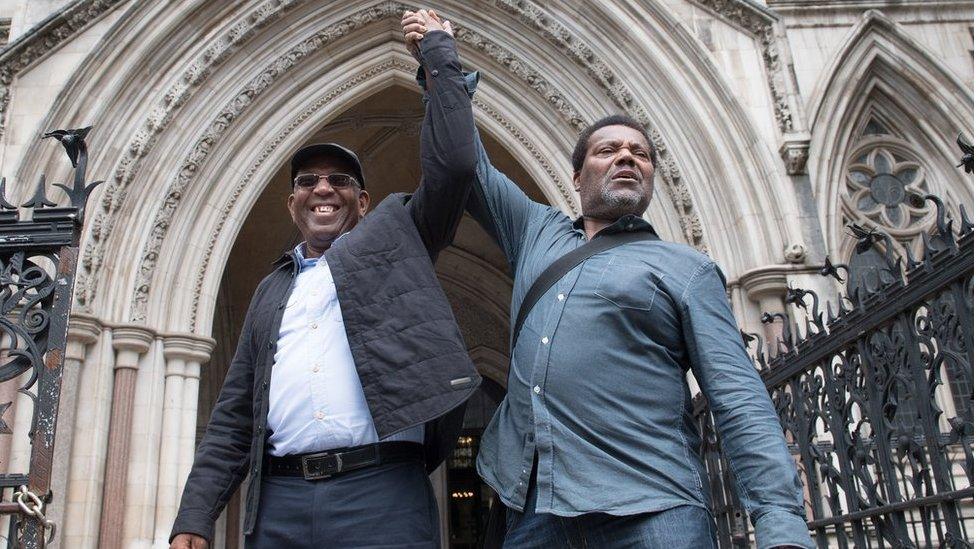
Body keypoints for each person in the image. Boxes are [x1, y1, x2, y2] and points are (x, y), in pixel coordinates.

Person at [403, 14, 814, 549]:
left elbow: (736, 396)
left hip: (653, 508)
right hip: (534, 510)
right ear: (577, 178)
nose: (626, 157)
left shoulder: (686, 270)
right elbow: (468, 164)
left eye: (639, 154)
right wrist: (441, 66)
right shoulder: (536, 232)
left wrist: (780, 522)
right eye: (608, 150)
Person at [170, 11, 480, 549]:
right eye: (307, 182)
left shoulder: (398, 239)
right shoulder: (273, 290)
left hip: (380, 492)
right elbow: (235, 414)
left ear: (362, 202)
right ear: (291, 202)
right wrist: (194, 517)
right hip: (281, 503)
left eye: (339, 181)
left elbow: (453, 168)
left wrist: (439, 62)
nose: (322, 190)